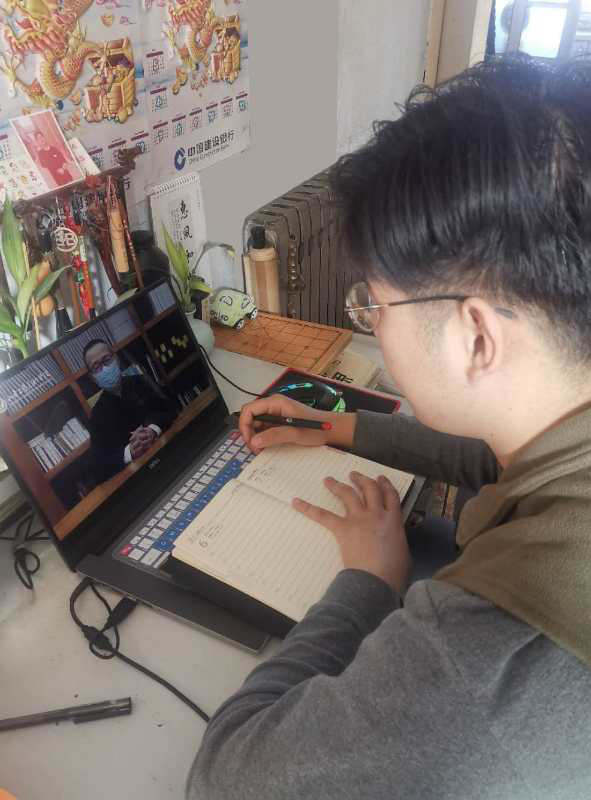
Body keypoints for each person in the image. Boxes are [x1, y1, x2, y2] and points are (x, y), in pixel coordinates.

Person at [187, 56, 591, 799]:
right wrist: (339, 426)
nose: (370, 323)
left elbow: (227, 780)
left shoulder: (489, 662)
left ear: (476, 336)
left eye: (373, 305)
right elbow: (498, 451)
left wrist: (368, 580)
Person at [83, 339, 177, 483]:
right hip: (139, 478)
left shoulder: (141, 381)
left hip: (170, 453)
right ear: (92, 378)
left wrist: (152, 430)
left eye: (106, 360)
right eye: (96, 367)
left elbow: (171, 406)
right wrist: (129, 452)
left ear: (116, 359)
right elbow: (99, 467)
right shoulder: (96, 416)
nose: (104, 368)